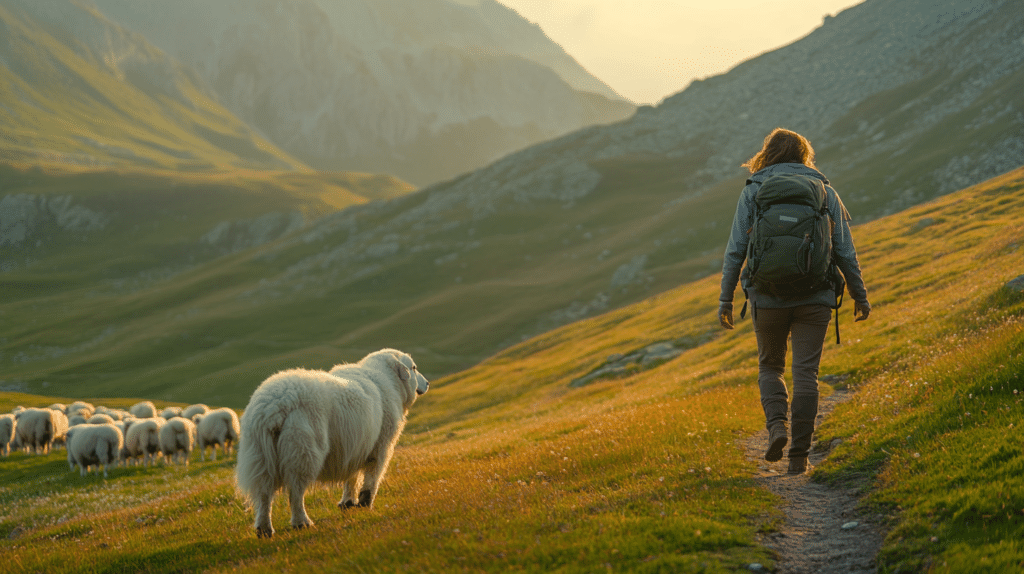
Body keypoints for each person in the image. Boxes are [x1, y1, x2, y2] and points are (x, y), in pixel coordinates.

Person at [718, 128, 870, 475]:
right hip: (814, 296)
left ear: (766, 154)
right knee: (806, 374)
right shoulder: (824, 190)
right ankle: (799, 460)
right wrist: (860, 296)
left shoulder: (753, 190)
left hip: (767, 296)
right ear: (805, 155)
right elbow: (845, 250)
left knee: (770, 367)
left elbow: (736, 250)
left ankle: (776, 429)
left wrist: (726, 299)